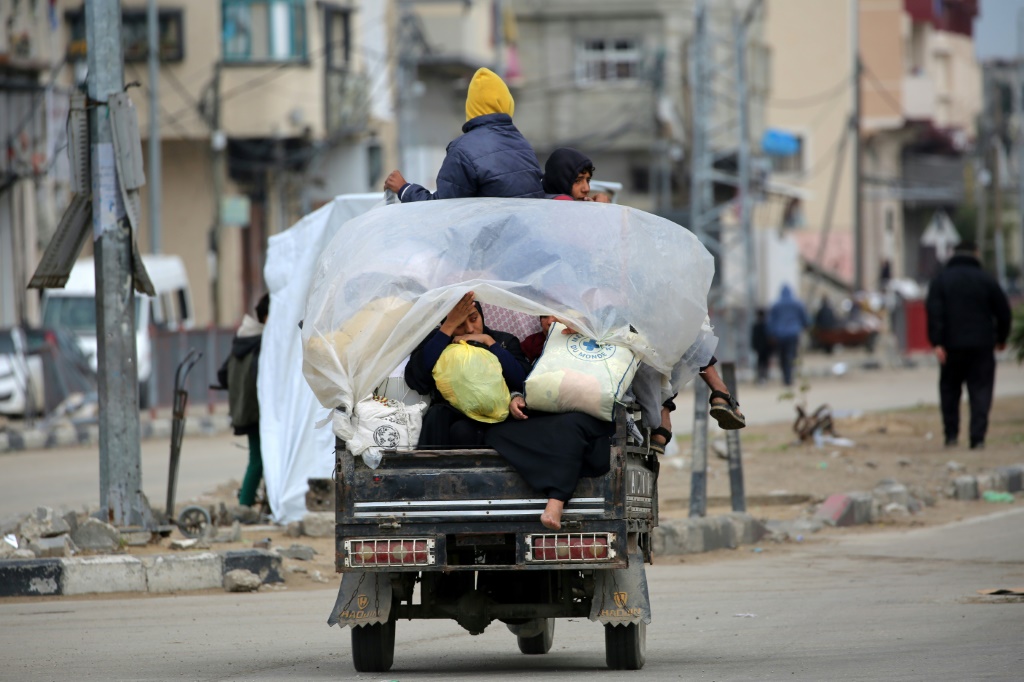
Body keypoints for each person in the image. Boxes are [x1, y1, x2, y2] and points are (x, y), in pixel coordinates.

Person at [540, 146, 745, 452]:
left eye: (587, 180)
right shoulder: (562, 209)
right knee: (673, 329)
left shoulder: (560, 209)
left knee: (667, 332)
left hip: (600, 314)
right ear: (561, 179)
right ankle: (707, 396)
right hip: (587, 319)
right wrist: (605, 213)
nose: (585, 188)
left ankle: (668, 417)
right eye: (579, 180)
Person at [383, 68, 544, 202]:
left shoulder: (463, 150)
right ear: (508, 103)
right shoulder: (523, 146)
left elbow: (441, 211)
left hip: (485, 240)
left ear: (471, 107)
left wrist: (404, 189)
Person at [405, 292, 531, 446]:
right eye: (459, 325)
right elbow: (417, 377)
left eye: (474, 319)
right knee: (438, 416)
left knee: (463, 431)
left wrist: (489, 342)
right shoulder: (438, 339)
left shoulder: (503, 340)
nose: (470, 329)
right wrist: (448, 328)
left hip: (497, 413)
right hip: (452, 412)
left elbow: (521, 379)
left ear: (481, 315)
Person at [925, 241, 1011, 449]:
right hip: (981, 346)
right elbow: (1003, 311)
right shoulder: (987, 280)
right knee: (980, 392)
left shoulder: (941, 280)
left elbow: (934, 312)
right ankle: (977, 438)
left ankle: (951, 435)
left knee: (950, 392)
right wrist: (1001, 338)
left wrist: (937, 342)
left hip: (950, 347)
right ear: (976, 253)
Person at [217, 293, 270, 509]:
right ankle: (244, 506)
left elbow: (223, 374)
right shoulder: (262, 343)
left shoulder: (244, 339)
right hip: (257, 412)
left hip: (245, 411)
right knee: (258, 461)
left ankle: (254, 504)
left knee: (259, 460)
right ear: (267, 316)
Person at [768, 284, 809, 387]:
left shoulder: (776, 304)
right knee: (791, 355)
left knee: (782, 357)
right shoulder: (797, 304)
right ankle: (789, 376)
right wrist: (805, 326)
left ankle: (785, 377)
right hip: (793, 333)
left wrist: (771, 333)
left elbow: (771, 321)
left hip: (780, 334)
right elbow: (804, 318)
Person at [751, 308, 772, 384]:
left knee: (760, 362)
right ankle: (764, 376)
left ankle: (760, 376)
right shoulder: (767, 325)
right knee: (765, 362)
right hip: (766, 347)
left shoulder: (756, 325)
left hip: (759, 347)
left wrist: (754, 346)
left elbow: (754, 337)